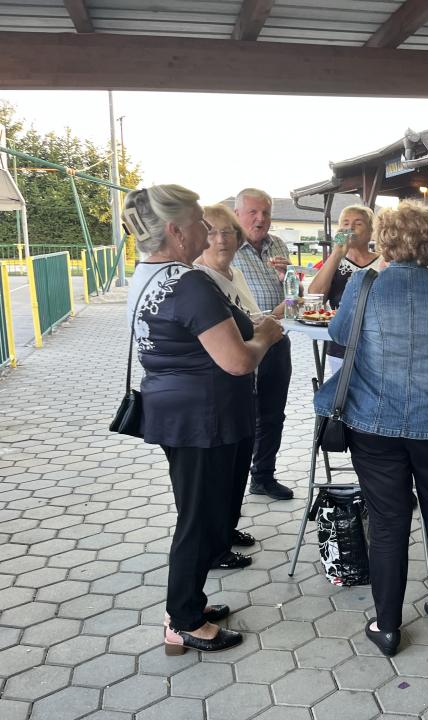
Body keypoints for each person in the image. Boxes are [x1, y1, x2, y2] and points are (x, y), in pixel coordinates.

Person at [124, 185, 283, 655]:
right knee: (199, 519)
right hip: (204, 416)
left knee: (201, 512)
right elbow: (237, 360)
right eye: (201, 223)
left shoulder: (148, 273)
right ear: (176, 230)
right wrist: (267, 335)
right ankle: (183, 620)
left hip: (178, 412)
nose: (208, 231)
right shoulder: (188, 282)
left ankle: (190, 602)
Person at [314, 202, 428, 657]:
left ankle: (387, 627)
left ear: (384, 241)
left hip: (374, 422)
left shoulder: (364, 284)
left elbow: (340, 337)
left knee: (388, 521)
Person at [193, 204, 287, 569]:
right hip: (216, 390)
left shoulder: (233, 274)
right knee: (217, 473)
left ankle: (226, 529)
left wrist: (269, 321)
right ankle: (212, 547)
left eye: (228, 233)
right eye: (212, 232)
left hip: (242, 385)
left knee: (236, 464)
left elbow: (251, 316)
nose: (221, 240)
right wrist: (265, 331)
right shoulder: (199, 279)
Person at [230, 188, 294, 501]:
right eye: (253, 212)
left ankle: (263, 476)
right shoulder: (227, 247)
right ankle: (232, 486)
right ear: (237, 215)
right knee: (241, 415)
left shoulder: (278, 244)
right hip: (239, 341)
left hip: (277, 339)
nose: (261, 219)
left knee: (273, 414)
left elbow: (293, 296)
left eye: (266, 212)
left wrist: (287, 277)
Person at [307, 204, 380, 374]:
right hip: (341, 344)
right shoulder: (334, 262)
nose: (350, 228)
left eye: (358, 223)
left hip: (377, 343)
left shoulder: (383, 262)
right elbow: (315, 297)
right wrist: (337, 254)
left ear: (371, 231)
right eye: (345, 223)